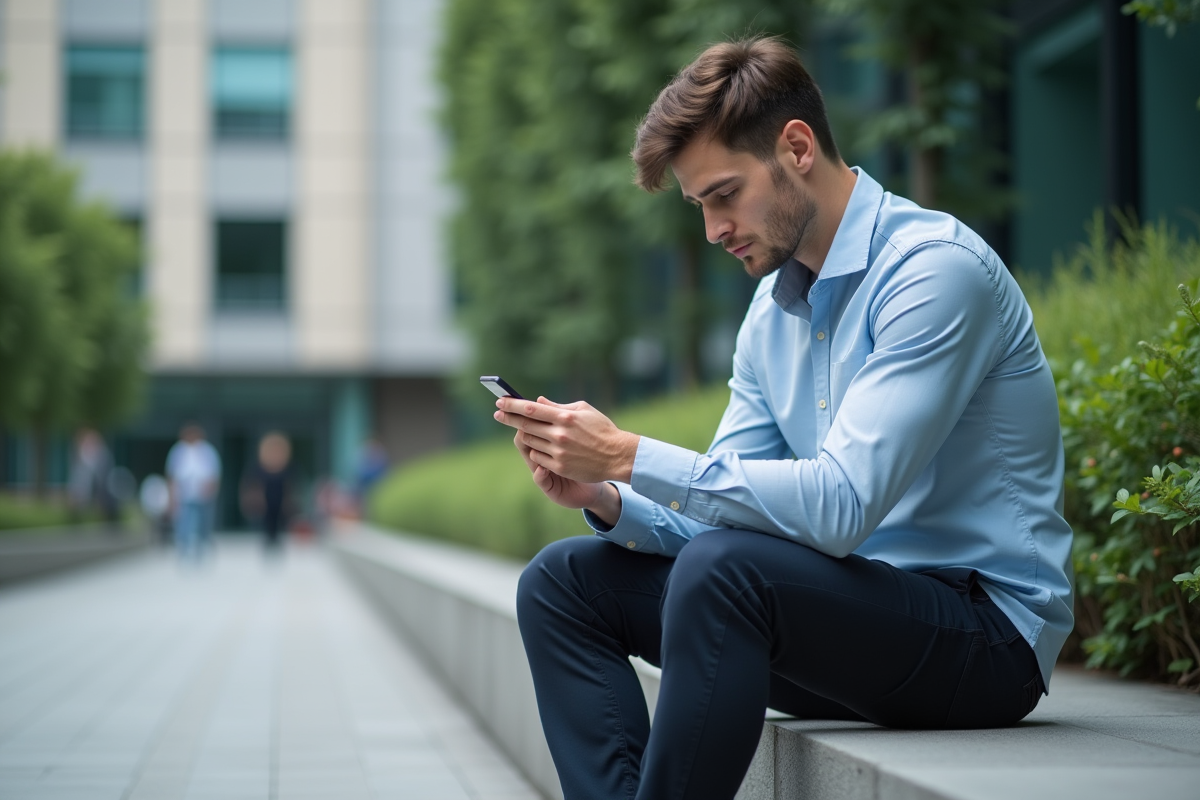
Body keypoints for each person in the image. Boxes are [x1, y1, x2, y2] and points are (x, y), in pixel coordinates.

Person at [494, 37, 1074, 800]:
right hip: (843, 629)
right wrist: (605, 494)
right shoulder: (771, 312)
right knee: (562, 584)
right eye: (700, 205)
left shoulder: (934, 274)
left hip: (983, 639)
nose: (712, 230)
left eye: (724, 195)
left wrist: (629, 453)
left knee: (722, 574)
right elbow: (718, 523)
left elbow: (839, 507)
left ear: (796, 148)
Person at [166, 423, 221, 561]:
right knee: (184, 523)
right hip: (184, 494)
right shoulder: (178, 450)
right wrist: (172, 496)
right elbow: (172, 475)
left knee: (203, 524)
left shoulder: (207, 451)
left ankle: (200, 550)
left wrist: (210, 490)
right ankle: (184, 549)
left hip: (203, 494)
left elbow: (214, 474)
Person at [241, 432, 292, 554]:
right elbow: (252, 482)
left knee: (278, 520)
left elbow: (290, 483)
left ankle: (276, 540)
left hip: (280, 497)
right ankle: (268, 540)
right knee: (267, 520)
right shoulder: (259, 467)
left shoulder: (286, 467)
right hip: (265, 498)